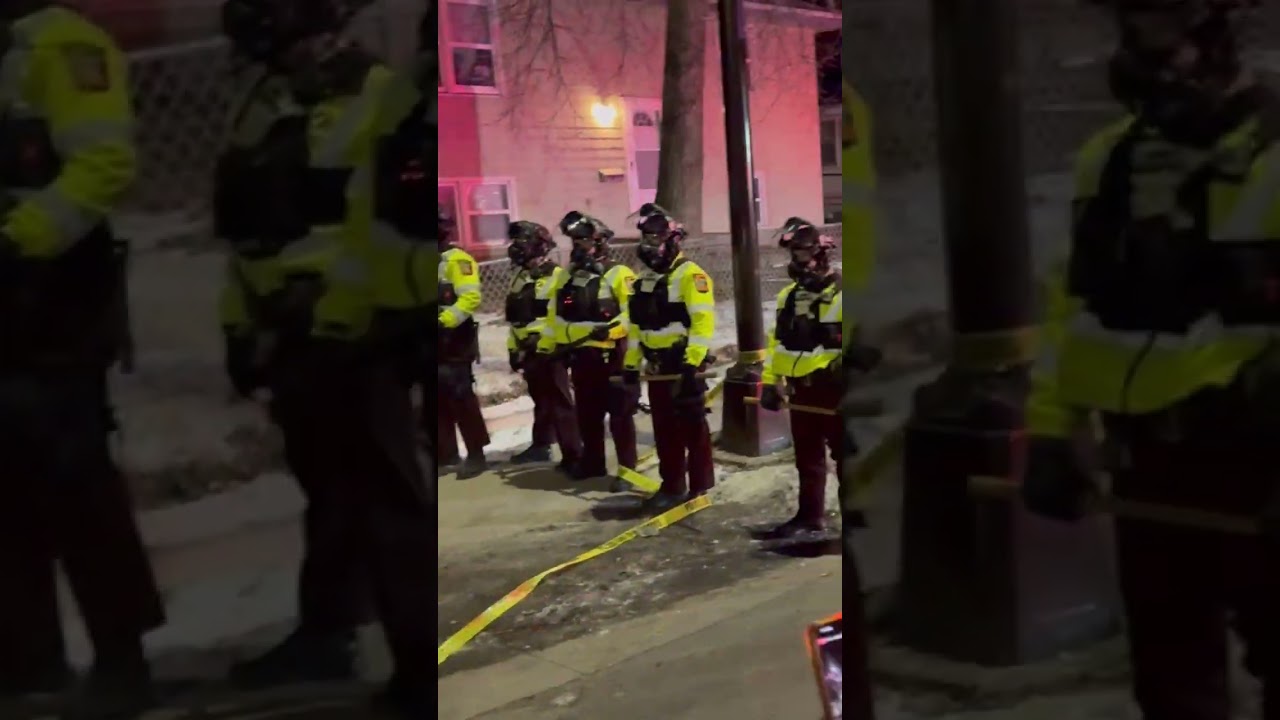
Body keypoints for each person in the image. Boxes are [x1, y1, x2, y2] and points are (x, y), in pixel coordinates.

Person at [1021, 1, 1280, 718]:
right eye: (1134, 33)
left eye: (1164, 36)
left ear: (1218, 40)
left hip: (1258, 462)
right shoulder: (1109, 160)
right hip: (1148, 470)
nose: (1143, 56)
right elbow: (1072, 310)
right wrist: (1051, 429)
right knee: (1171, 683)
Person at [214, 0, 391, 689]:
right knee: (326, 486)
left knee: (369, 489)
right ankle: (332, 632)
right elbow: (246, 233)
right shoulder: (265, 104)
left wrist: (329, 299)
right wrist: (239, 322)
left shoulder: (373, 98)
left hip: (347, 328)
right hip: (285, 328)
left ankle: (372, 638)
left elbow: (373, 224)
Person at [0, 2, 165, 718]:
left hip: (49, 300)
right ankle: (28, 661)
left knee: (77, 486)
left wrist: (18, 241)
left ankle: (121, 656)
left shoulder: (60, 44)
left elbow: (103, 164)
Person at [299, 3, 437, 715]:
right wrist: (338, 324)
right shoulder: (394, 104)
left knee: (412, 506)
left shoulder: (406, 101)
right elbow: (362, 229)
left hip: (425, 331)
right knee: (394, 511)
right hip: (384, 337)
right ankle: (417, 667)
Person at [622, 204, 716, 513]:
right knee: (664, 430)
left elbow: (702, 323)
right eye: (646, 239)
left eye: (656, 239)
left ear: (673, 240)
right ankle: (672, 485)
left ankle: (700, 487)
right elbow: (637, 327)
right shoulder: (643, 280)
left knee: (692, 428)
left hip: (682, 365)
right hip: (657, 366)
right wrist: (631, 365)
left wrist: (692, 363)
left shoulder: (691, 275)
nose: (650, 246)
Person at [757, 219, 843, 542]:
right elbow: (776, 343)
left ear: (821, 253)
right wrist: (769, 382)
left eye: (803, 253)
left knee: (847, 459)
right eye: (793, 254)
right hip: (800, 392)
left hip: (834, 391)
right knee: (807, 459)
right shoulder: (787, 297)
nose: (797, 261)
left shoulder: (843, 293)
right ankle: (810, 517)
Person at [539, 211, 638, 486]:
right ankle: (593, 463)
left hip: (611, 355)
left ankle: (628, 472)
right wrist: (553, 346)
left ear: (601, 242)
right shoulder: (566, 277)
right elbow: (553, 316)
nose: (578, 247)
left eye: (584, 241)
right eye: (575, 241)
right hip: (580, 356)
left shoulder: (620, 274)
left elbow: (633, 314)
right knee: (588, 414)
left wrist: (611, 330)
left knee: (620, 417)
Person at [505, 220, 583, 470]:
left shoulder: (558, 277)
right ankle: (541, 445)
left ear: (538, 246)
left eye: (522, 242)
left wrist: (551, 344)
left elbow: (562, 316)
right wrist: (513, 348)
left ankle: (573, 454)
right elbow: (515, 318)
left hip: (550, 350)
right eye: (514, 242)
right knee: (540, 400)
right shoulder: (520, 277)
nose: (516, 247)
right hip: (527, 350)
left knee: (561, 402)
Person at [437, 206, 490, 479]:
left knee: (461, 398)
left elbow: (470, 299)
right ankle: (445, 454)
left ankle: (476, 454)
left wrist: (444, 320)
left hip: (455, 343)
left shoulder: (458, 261)